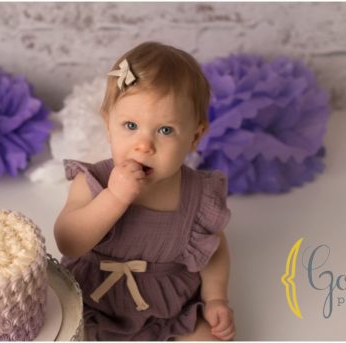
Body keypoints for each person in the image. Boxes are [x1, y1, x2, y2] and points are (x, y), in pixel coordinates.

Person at [54, 41, 235, 340]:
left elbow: (214, 251)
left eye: (165, 130)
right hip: (92, 304)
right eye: (130, 125)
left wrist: (217, 299)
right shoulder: (92, 181)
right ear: (108, 125)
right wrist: (114, 198)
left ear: (195, 136)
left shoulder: (198, 196)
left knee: (210, 338)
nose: (144, 145)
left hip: (168, 311)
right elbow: (68, 241)